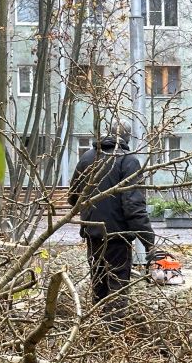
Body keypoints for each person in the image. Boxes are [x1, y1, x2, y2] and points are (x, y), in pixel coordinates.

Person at [68, 121, 159, 328]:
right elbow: (133, 206)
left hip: (92, 234)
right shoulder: (127, 161)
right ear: (127, 138)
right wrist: (150, 244)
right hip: (116, 236)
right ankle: (113, 340)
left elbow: (73, 196)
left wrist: (92, 208)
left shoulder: (88, 157)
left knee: (98, 287)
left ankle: (96, 335)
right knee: (117, 289)